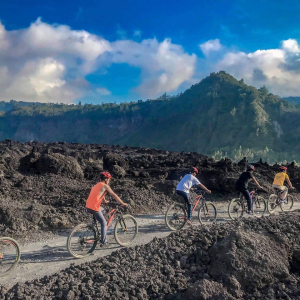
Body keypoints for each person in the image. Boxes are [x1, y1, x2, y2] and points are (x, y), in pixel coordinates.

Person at [86, 171, 127, 246]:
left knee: (103, 210)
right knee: (104, 223)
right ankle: (104, 241)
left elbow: (99, 193)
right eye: (109, 179)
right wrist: (122, 203)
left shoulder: (97, 184)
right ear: (105, 179)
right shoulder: (105, 186)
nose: (109, 181)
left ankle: (94, 225)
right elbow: (114, 195)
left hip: (88, 205)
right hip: (94, 207)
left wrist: (104, 200)